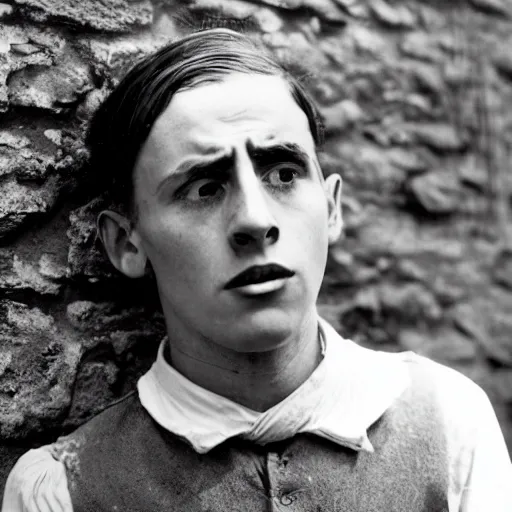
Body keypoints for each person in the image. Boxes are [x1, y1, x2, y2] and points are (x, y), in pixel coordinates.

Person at [2, 28, 511, 512]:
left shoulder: (448, 422)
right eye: (204, 188)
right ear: (126, 244)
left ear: (332, 209)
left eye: (284, 174)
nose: (255, 220)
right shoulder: (64, 488)